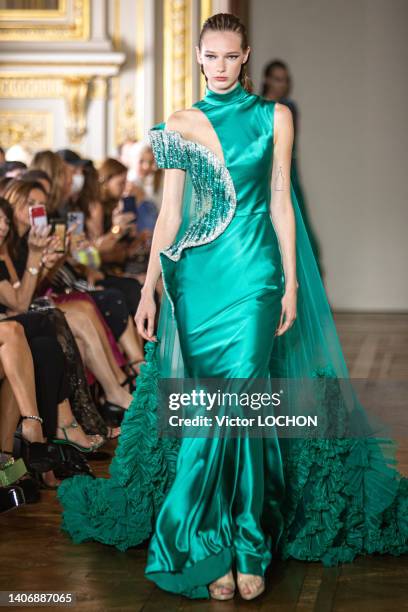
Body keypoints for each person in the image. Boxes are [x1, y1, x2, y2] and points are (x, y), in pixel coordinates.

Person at [57, 12, 408, 602]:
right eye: (210, 56)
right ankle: (208, 542)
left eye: (230, 56)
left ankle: (249, 542)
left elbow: (280, 201)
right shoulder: (179, 123)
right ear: (198, 57)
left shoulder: (275, 117)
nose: (219, 66)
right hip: (196, 282)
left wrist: (291, 283)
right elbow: (169, 215)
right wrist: (148, 289)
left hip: (255, 278)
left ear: (245, 58)